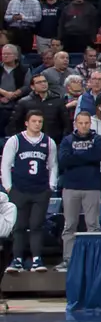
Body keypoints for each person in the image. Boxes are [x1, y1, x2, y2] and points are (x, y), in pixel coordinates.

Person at [1, 111, 55, 272]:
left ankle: (37, 260)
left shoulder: (48, 141)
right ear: (26, 123)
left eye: (40, 121)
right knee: (19, 226)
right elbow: (5, 164)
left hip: (40, 190)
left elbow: (53, 165)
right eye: (34, 121)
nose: (37, 124)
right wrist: (8, 187)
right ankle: (16, 260)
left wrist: (51, 186)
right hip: (19, 190)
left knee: (36, 225)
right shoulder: (15, 141)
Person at [56, 111, 101, 272]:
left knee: (93, 225)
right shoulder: (67, 140)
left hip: (92, 187)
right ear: (75, 124)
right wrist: (86, 156)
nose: (84, 126)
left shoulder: (98, 139)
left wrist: (75, 156)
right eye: (80, 123)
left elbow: (97, 155)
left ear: (90, 124)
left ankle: (95, 258)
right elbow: (63, 160)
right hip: (71, 187)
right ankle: (68, 259)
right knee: (69, 225)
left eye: (86, 123)